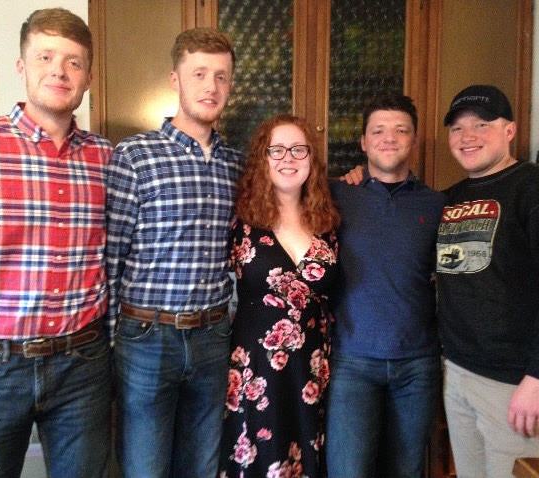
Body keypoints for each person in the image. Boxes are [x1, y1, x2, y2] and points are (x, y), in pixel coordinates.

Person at [0, 8, 112, 478]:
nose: (59, 71)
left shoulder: (107, 159)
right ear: (21, 66)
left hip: (84, 364)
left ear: (88, 78)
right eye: (45, 57)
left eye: (73, 62)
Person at [105, 28, 242, 477]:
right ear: (175, 80)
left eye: (221, 76)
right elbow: (110, 260)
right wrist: (111, 344)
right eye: (199, 74)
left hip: (212, 338)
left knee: (202, 466)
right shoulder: (135, 156)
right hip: (147, 338)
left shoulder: (237, 164)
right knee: (145, 467)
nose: (211, 86)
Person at [437, 84, 539, 477]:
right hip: (460, 373)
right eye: (458, 128)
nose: (468, 136)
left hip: (520, 383)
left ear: (509, 130)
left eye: (482, 124)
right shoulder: (450, 198)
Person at [326, 95, 445, 477]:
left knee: (406, 471)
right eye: (378, 131)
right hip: (352, 362)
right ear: (363, 142)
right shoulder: (335, 196)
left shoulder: (438, 204)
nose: (389, 138)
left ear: (414, 140)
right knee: (348, 471)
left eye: (400, 130)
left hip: (418, 365)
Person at [219, 114, 340, 477]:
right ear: (263, 158)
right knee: (260, 458)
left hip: (312, 364)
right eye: (277, 150)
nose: (289, 158)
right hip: (256, 366)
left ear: (311, 159)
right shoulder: (240, 220)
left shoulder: (327, 221)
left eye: (299, 149)